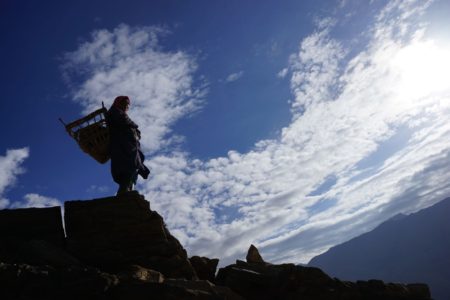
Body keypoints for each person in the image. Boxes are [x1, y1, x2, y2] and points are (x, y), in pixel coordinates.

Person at [106, 96, 150, 195]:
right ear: (118, 103)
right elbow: (126, 124)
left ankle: (128, 190)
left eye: (128, 104)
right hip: (122, 147)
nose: (126, 106)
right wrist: (134, 129)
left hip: (130, 147)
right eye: (124, 103)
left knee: (134, 168)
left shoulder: (120, 114)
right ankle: (124, 191)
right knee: (129, 167)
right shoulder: (114, 113)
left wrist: (136, 132)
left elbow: (131, 128)